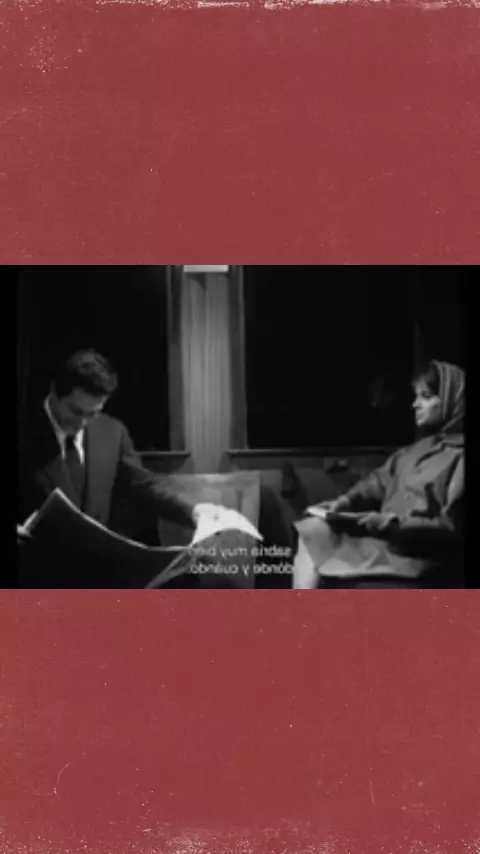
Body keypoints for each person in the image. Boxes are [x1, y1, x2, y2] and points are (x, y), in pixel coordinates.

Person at [16, 349, 224, 587]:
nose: (82, 422)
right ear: (55, 391)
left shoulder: (112, 432)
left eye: (93, 413)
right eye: (75, 411)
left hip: (96, 578)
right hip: (36, 578)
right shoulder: (22, 430)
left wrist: (194, 511)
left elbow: (144, 485)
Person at [292, 360, 465, 589]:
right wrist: (345, 501)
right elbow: (377, 481)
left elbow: (451, 525)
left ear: (452, 401)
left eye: (425, 397)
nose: (415, 404)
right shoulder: (413, 451)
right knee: (313, 529)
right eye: (416, 396)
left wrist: (393, 524)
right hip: (386, 540)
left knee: (328, 553)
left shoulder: (460, 457)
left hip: (416, 552)